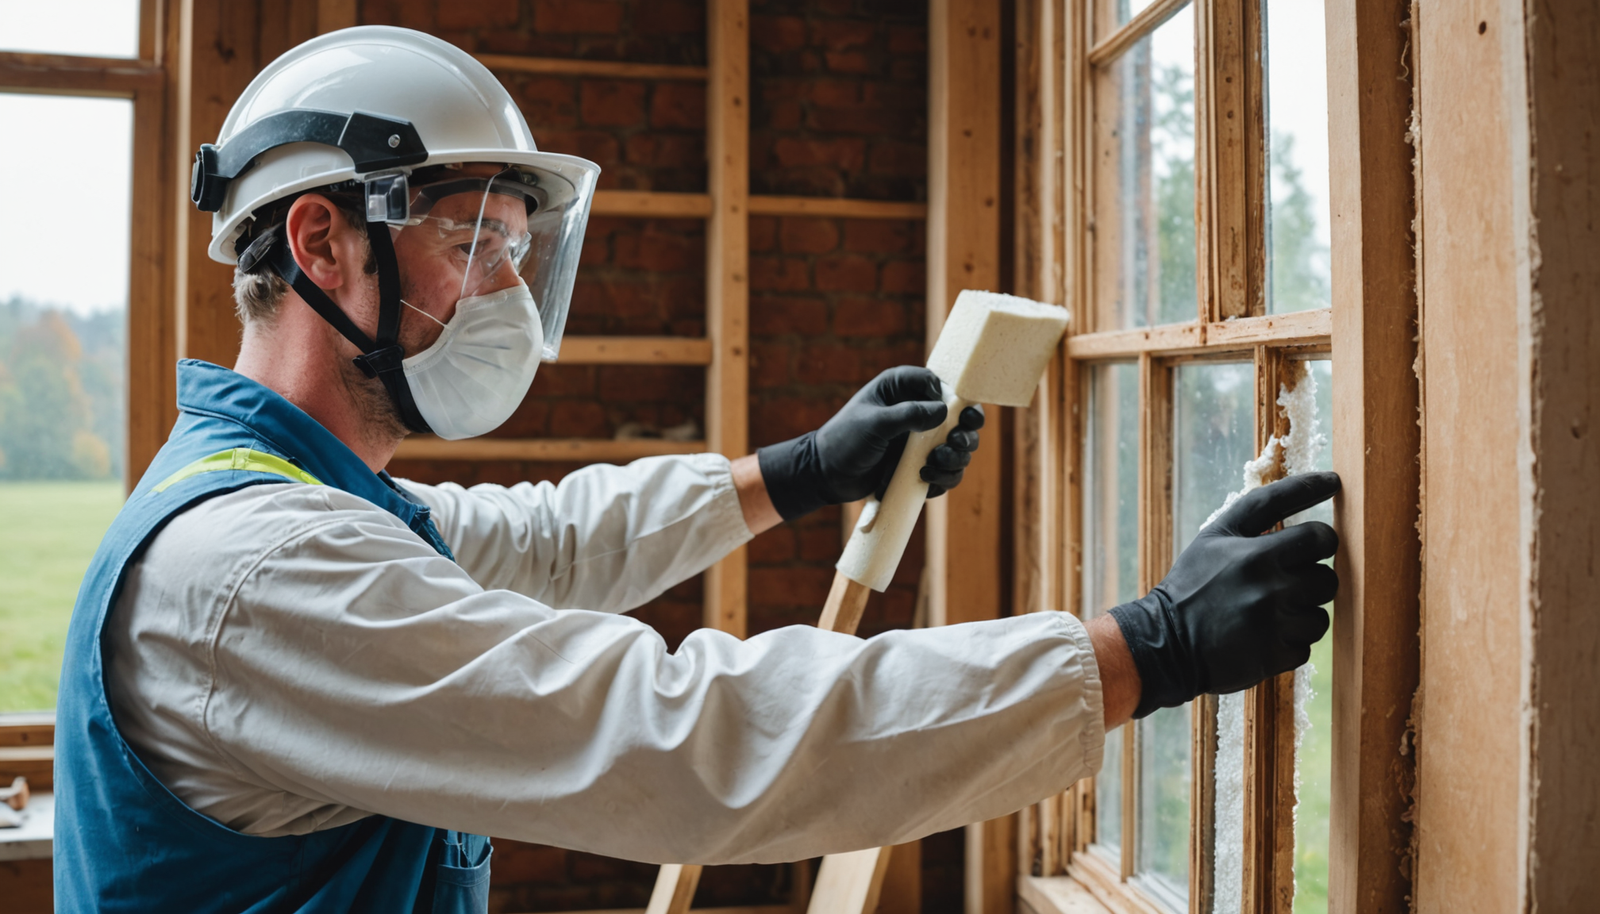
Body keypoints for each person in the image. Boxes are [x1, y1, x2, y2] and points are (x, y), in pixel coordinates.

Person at [53, 26, 1339, 913]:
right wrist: (1141, 648)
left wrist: (799, 471)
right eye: (473, 240)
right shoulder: (260, 568)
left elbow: (548, 541)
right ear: (322, 241)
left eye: (517, 251)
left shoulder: (310, 502)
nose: (505, 292)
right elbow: (674, 739)